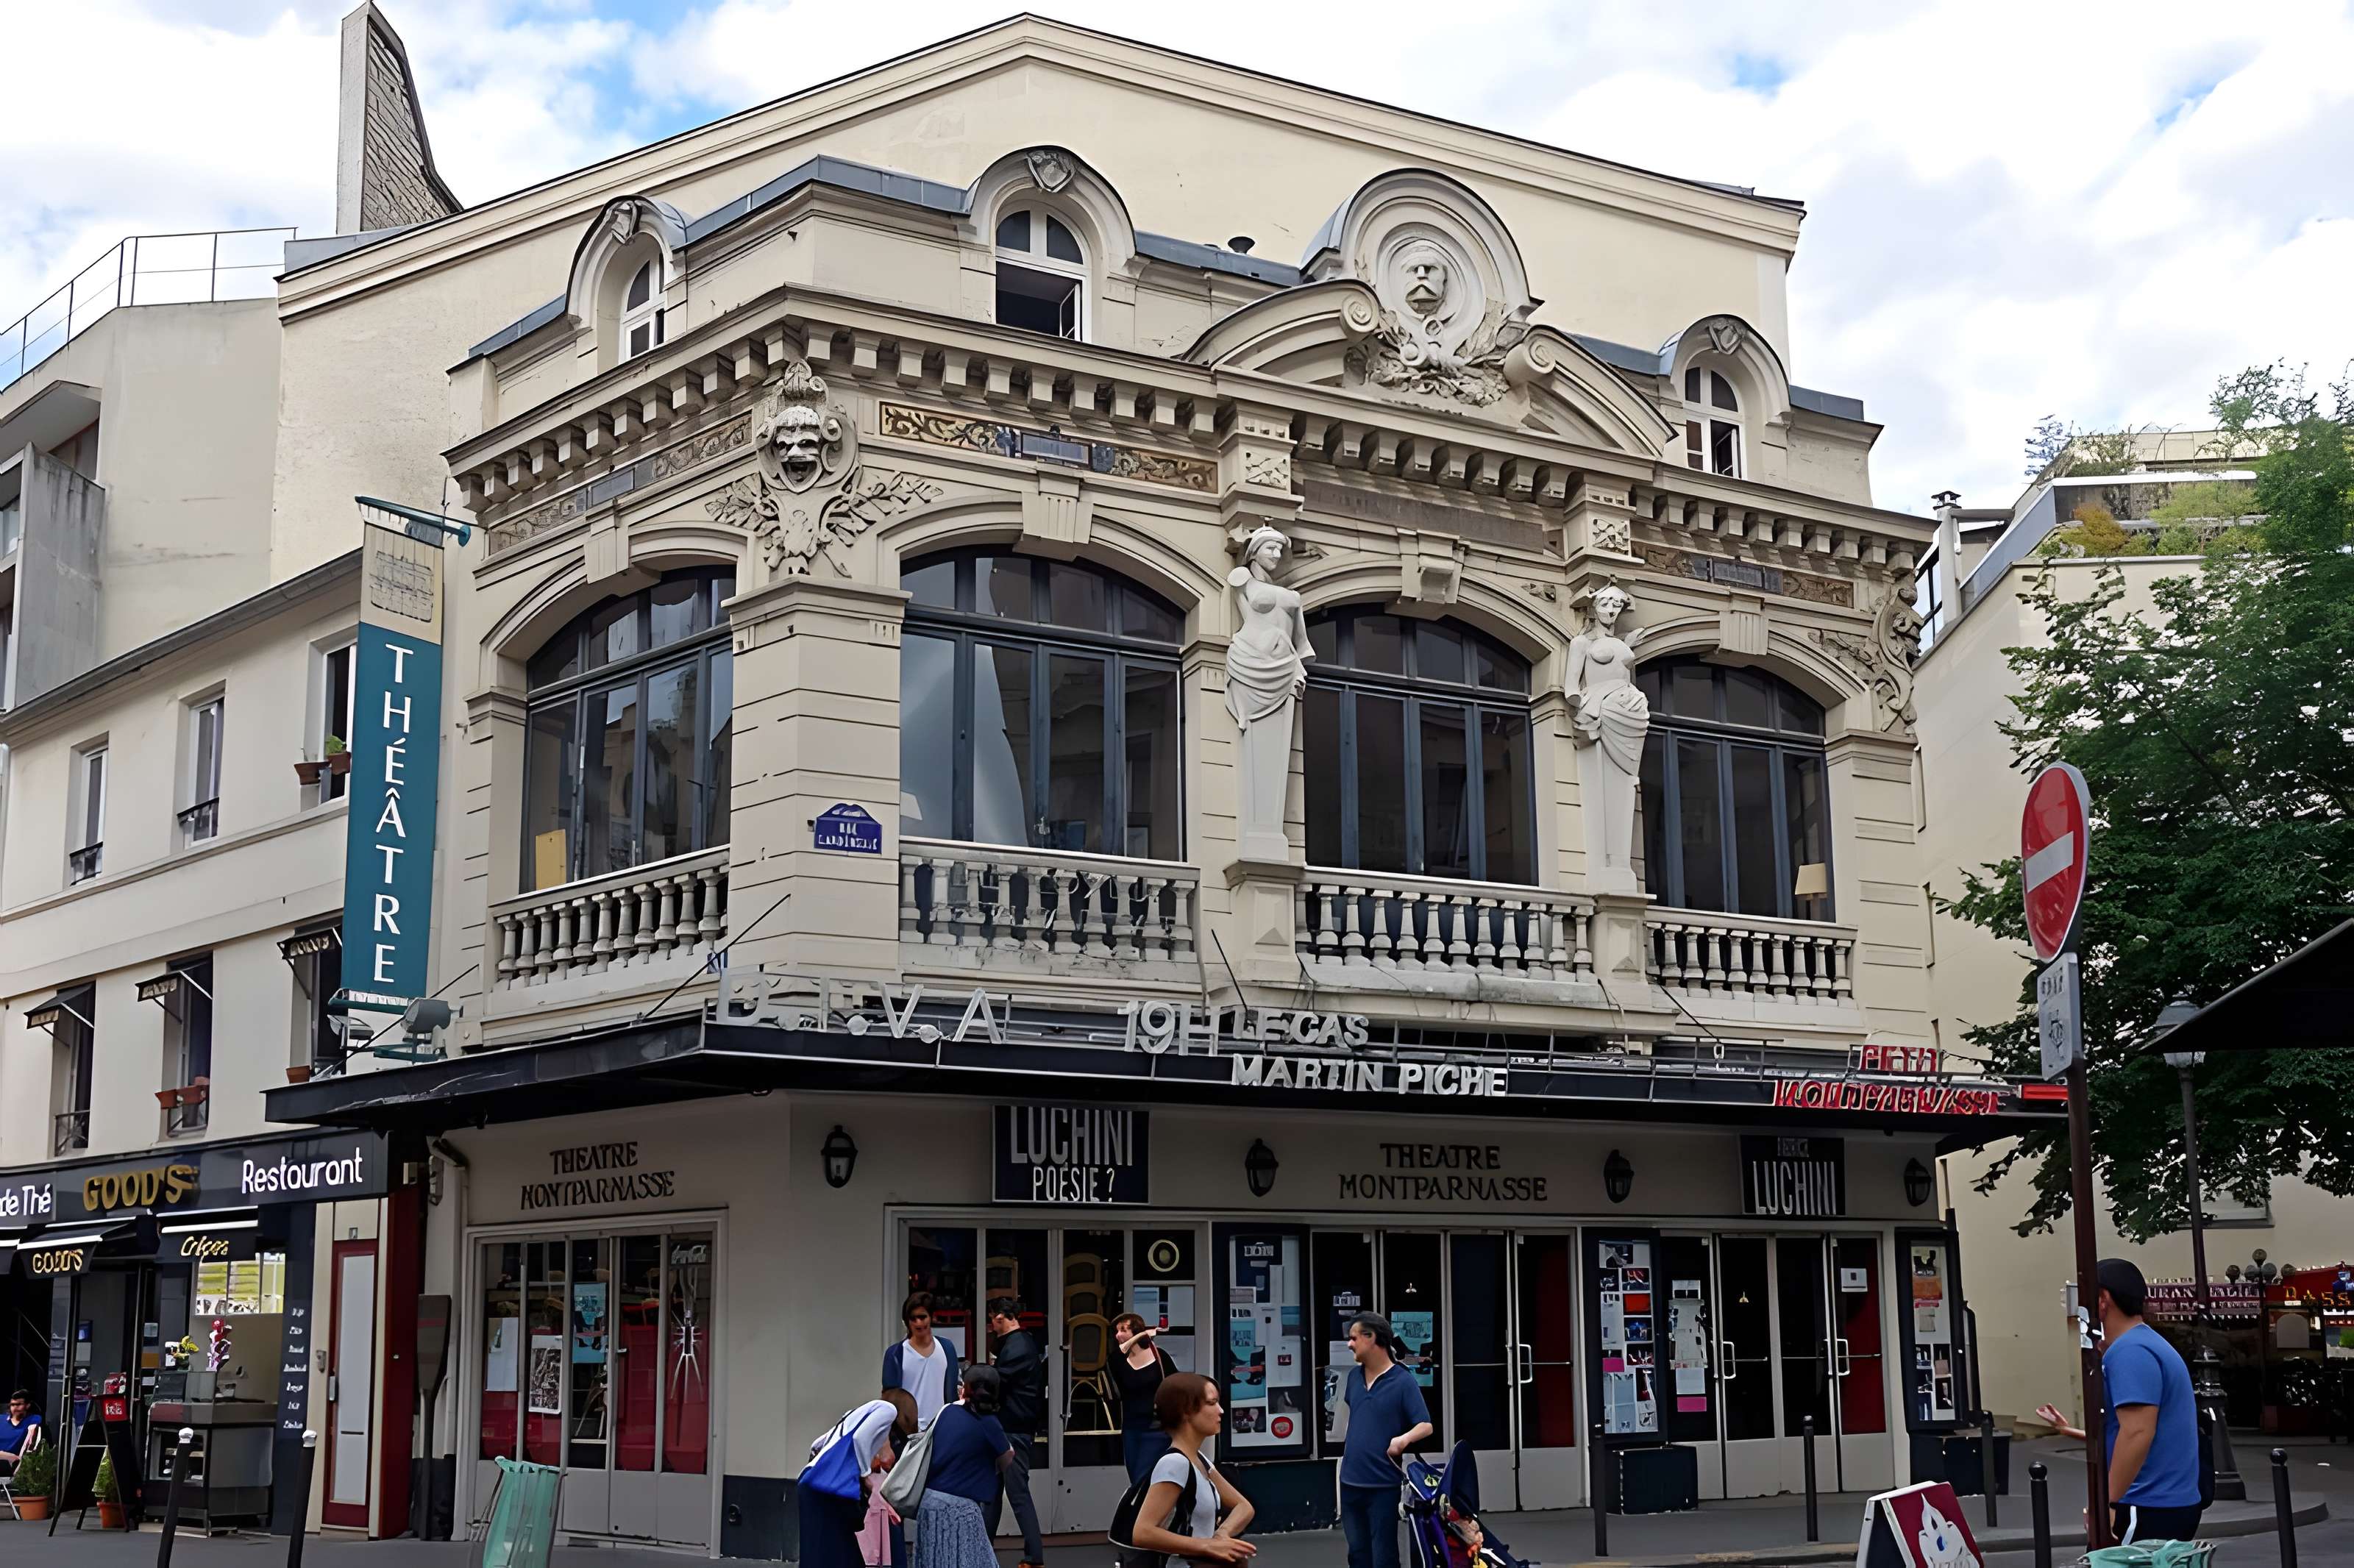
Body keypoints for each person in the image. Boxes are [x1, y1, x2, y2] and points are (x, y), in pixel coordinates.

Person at [2034, 1258, 2204, 1544]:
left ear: (2103, 1299)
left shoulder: (2131, 1352)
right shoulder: (2146, 1343)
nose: (2080, 1308)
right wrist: (2068, 1430)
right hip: (2163, 1504)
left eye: (2085, 1297)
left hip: (2146, 1504)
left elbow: (2137, 1432)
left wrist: (2107, 1504)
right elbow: (2138, 1428)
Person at [1129, 1371, 1256, 1564]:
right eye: (1212, 1403)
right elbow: (1143, 1532)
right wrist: (1208, 1546)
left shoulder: (1200, 1460)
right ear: (1187, 1410)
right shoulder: (1175, 1464)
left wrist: (1222, 1535)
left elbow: (1244, 1507)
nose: (1221, 1411)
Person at [1338, 1311, 1433, 1568]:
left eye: (1355, 1338)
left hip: (1382, 1484)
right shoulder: (1354, 1379)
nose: (1349, 1344)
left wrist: (1402, 1440)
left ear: (1372, 1339)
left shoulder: (1402, 1381)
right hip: (1350, 1482)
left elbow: (1426, 1425)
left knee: (1384, 1557)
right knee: (1357, 1554)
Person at [803, 1390, 920, 1568]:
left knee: (821, 1551)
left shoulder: (853, 1417)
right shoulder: (887, 1412)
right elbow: (863, 1443)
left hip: (812, 1482)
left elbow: (816, 1446)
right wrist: (865, 1476)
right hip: (834, 1488)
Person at [915, 1365, 1013, 1568]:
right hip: (960, 1511)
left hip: (928, 1503)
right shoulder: (988, 1422)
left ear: (965, 1389)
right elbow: (1008, 1456)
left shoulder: (947, 1411)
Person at [987, 1297, 1048, 1568]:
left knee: (1017, 1494)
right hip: (1012, 1428)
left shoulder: (1016, 1347)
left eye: (992, 1318)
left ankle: (1034, 1558)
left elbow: (997, 1383)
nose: (991, 1325)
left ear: (1001, 1317)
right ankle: (983, 1549)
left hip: (1013, 1430)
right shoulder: (1022, 1344)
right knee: (993, 1493)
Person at [1112, 1311, 1176, 1485]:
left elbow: (1174, 1386)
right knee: (1136, 1478)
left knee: (1148, 1477)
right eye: (1116, 1331)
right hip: (1132, 1427)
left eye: (1123, 1330)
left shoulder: (1160, 1356)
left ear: (1137, 1331)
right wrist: (1131, 1342)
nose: (1118, 1335)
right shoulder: (1118, 1360)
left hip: (1157, 1428)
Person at [884, 1292, 962, 1426]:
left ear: (931, 1318)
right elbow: (889, 1399)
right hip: (908, 1432)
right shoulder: (896, 1354)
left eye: (922, 1317)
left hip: (941, 1428)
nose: (918, 1323)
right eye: (913, 1319)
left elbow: (952, 1394)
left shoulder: (947, 1348)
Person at [0, 1391, 39, 1472]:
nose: (15, 1407)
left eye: (18, 1405)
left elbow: (31, 1444)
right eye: (12, 1404)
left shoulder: (33, 1420)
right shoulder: (1, 1419)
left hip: (12, 1463)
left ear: (27, 1405)